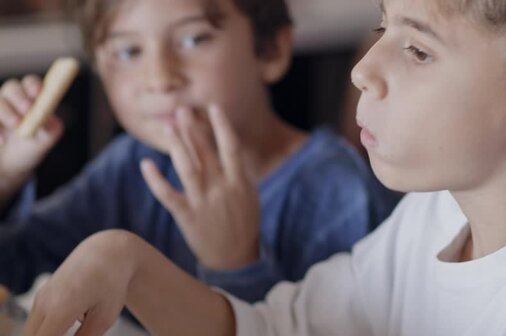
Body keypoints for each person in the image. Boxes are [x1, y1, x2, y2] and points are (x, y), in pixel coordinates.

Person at [18, 0, 506, 336]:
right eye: (382, 28)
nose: (364, 70)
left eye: (417, 50)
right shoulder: (437, 212)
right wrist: (125, 260)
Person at [0, 0, 400, 305]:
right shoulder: (130, 167)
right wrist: (5, 178)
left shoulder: (339, 192)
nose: (160, 79)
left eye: (194, 40)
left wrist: (234, 264)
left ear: (272, 49)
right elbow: (12, 268)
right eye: (128, 52)